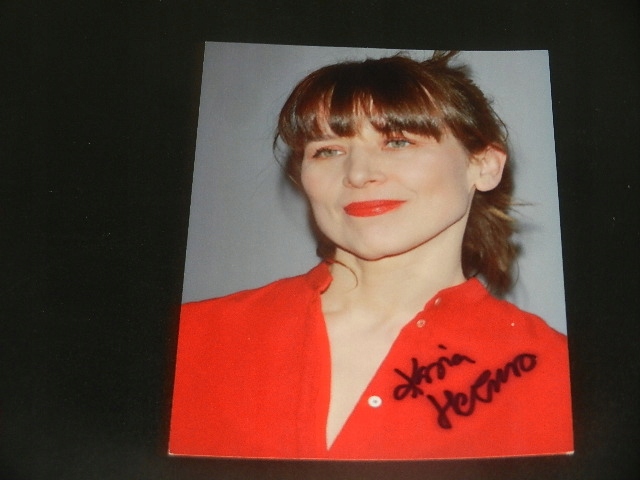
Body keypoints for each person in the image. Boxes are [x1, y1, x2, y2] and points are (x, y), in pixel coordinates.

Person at [168, 51, 573, 460]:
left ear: (483, 166)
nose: (358, 174)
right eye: (327, 150)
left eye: (397, 142)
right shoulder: (190, 338)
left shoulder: (557, 373)